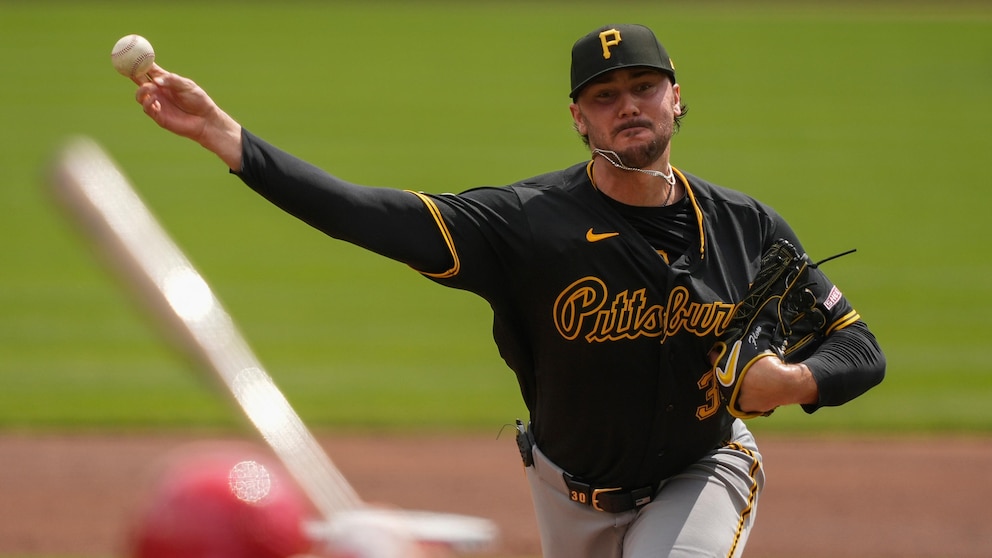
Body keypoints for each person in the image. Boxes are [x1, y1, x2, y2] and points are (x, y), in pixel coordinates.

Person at [131, 23, 885, 558]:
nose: (628, 105)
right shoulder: (526, 225)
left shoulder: (745, 227)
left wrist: (794, 381)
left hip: (702, 468)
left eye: (644, 87)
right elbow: (361, 213)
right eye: (605, 95)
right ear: (578, 118)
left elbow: (858, 345)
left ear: (676, 98)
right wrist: (226, 137)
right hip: (567, 493)